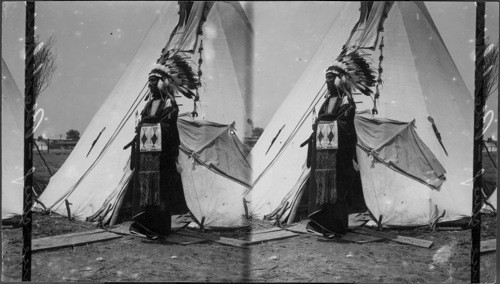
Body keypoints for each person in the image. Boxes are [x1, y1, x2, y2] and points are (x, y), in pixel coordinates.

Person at [307, 51, 375, 237]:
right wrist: (318, 125)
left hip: (337, 155)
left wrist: (324, 124)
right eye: (326, 78)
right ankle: (321, 224)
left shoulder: (347, 101)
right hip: (322, 154)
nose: (327, 82)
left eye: (331, 78)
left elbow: (345, 125)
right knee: (322, 188)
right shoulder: (326, 101)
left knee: (335, 190)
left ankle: (335, 227)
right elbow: (322, 121)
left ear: (340, 79)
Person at [130, 62, 183, 240]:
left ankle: (160, 229)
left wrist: (149, 122)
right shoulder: (149, 103)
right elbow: (143, 122)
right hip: (147, 158)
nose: (150, 84)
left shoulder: (169, 103)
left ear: (162, 83)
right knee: (146, 191)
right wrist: (144, 124)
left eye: (153, 81)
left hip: (162, 158)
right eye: (149, 81)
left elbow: (168, 127)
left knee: (160, 193)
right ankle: (145, 227)